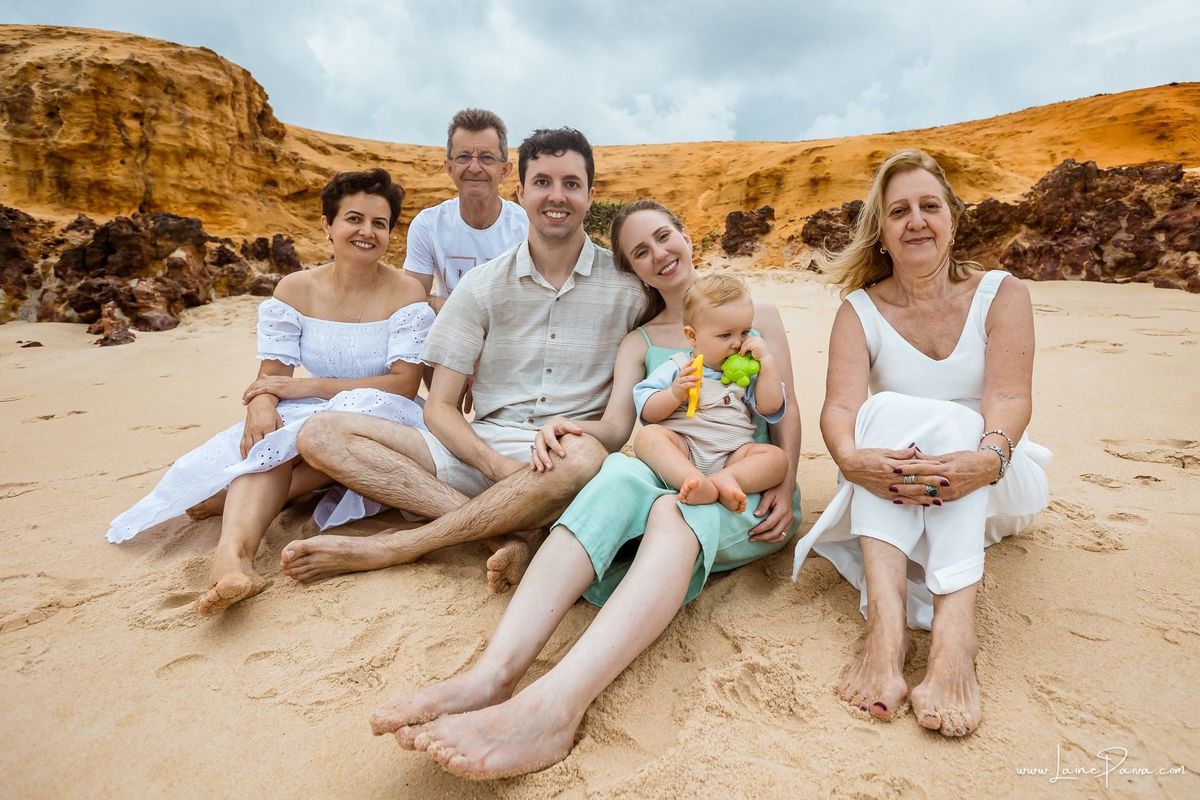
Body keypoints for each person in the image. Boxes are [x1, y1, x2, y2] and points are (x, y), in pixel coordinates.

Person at [369, 199, 801, 780]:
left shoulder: (757, 317)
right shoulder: (642, 341)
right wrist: (571, 429)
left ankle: (556, 705)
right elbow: (622, 428)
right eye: (640, 252)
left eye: (665, 237)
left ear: (686, 235)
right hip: (678, 466)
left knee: (673, 512)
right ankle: (493, 673)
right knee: (621, 469)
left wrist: (787, 478)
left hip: (745, 488)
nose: (660, 255)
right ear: (633, 271)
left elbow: (783, 410)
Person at [280, 128, 648, 593]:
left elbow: (691, 321)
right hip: (477, 451)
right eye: (543, 182)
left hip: (563, 462)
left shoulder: (630, 289)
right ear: (521, 192)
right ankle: (507, 533)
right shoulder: (479, 285)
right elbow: (440, 407)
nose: (557, 196)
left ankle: (401, 544)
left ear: (591, 195)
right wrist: (494, 466)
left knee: (585, 457)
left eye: (571, 184)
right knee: (322, 432)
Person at [790, 149, 1051, 737]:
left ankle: (955, 638)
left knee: (956, 420)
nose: (916, 221)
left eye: (929, 206)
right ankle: (886, 633)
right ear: (881, 231)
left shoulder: (1000, 294)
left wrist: (986, 459)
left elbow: (1009, 400)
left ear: (953, 219)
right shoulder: (860, 311)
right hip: (895, 483)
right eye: (899, 210)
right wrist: (850, 459)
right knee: (882, 412)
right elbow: (841, 407)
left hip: (996, 475)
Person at [105, 168, 433, 615]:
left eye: (380, 223)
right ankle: (232, 562)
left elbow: (403, 383)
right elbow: (271, 374)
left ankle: (250, 494)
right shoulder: (295, 289)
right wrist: (261, 405)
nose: (367, 232)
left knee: (308, 431)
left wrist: (307, 386)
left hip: (385, 412)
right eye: (354, 219)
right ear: (327, 226)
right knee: (272, 438)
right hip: (312, 413)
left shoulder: (406, 292)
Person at [633, 273, 788, 513]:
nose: (738, 343)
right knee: (648, 437)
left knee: (777, 459)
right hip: (685, 448)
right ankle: (692, 479)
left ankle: (726, 479)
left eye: (745, 332)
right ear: (692, 336)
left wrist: (767, 361)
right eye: (725, 335)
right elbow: (647, 411)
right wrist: (674, 394)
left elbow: (769, 406)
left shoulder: (746, 372)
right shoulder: (678, 367)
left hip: (733, 453)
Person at [403, 108, 528, 313]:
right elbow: (412, 299)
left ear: (505, 170)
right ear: (449, 167)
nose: (474, 168)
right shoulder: (427, 225)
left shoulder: (527, 227)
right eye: (463, 157)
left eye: (487, 158)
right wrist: (446, 307)